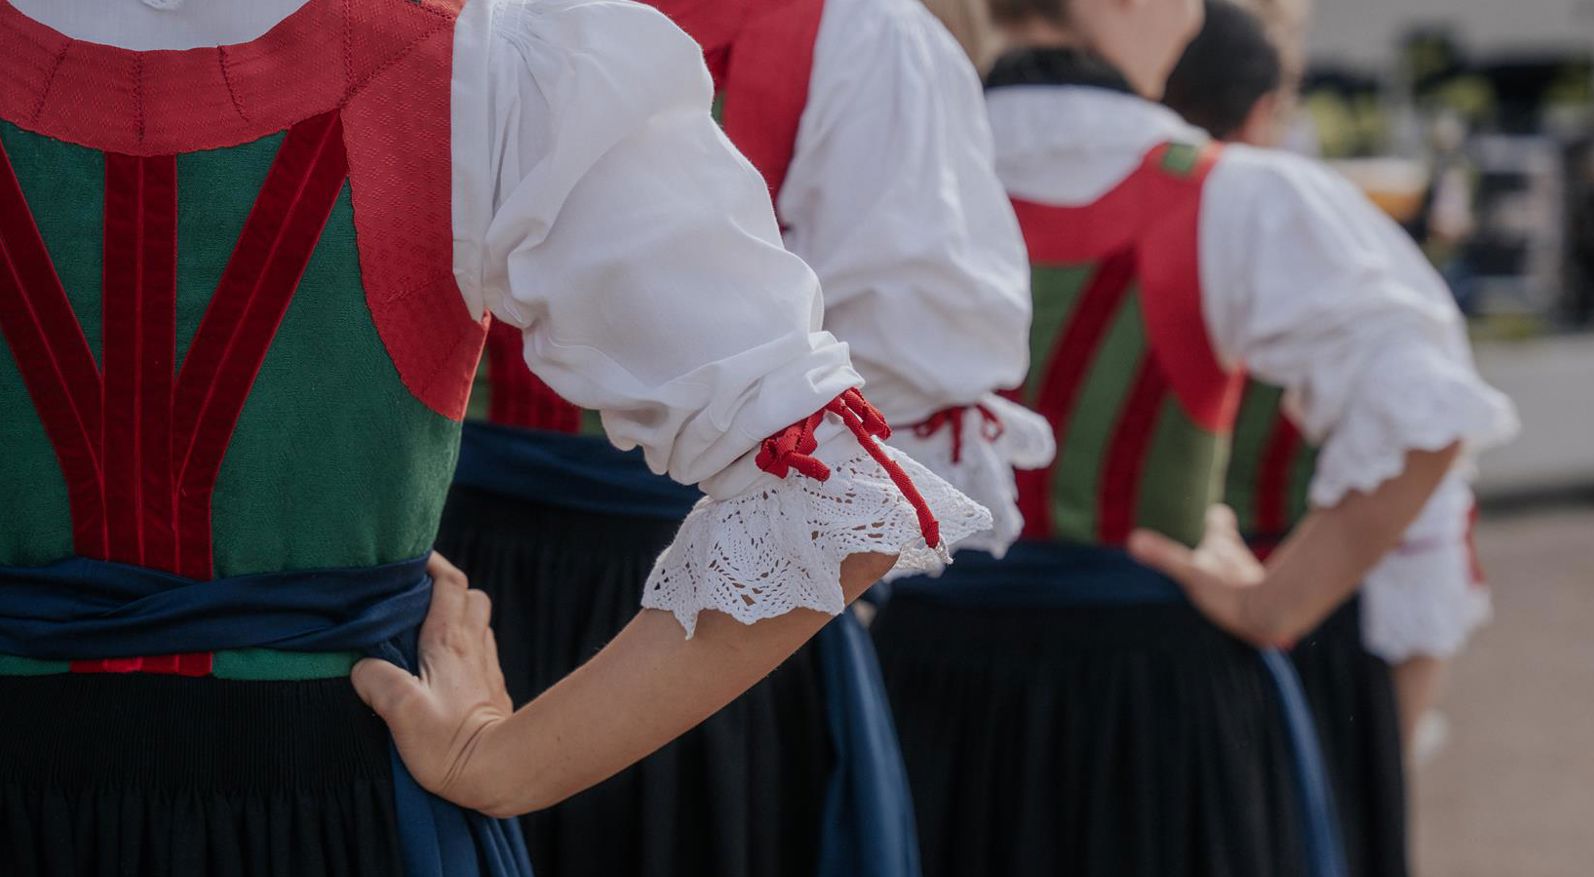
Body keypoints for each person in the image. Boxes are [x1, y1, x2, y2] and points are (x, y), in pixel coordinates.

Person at [0, 0, 984, 874]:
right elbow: (843, 501)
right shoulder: (488, 65)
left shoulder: (496, 58)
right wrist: (501, 763)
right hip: (343, 795)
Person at [870, 0, 1518, 874]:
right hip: (1156, 707)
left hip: (919, 685)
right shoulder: (1235, 195)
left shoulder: (881, 177)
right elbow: (1429, 408)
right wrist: (1276, 602)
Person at [442, 0, 1044, 872]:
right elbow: (912, 363)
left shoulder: (454, 20)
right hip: (714, 602)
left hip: (460, 581)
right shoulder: (863, 32)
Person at [1162, 2, 1496, 871]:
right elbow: (1428, 538)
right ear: (1266, 106)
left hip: (1133, 631)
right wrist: (1388, 747)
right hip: (1303, 622)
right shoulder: (1332, 244)